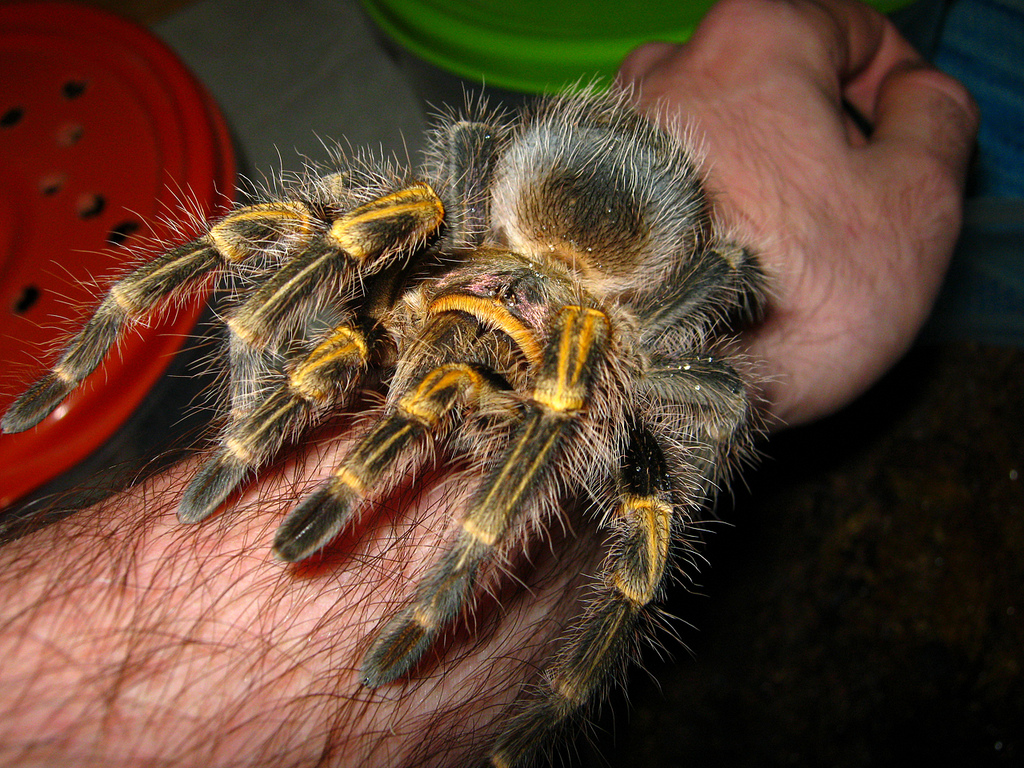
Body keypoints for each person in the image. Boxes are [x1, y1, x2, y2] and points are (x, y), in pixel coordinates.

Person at [0, 0, 977, 765]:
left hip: (601, 266)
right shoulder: (441, 237)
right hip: (517, 232)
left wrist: (463, 573)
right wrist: (253, 427)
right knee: (327, 223)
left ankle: (522, 681)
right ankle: (146, 372)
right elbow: (306, 245)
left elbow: (720, 356)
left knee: (645, 531)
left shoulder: (610, 346)